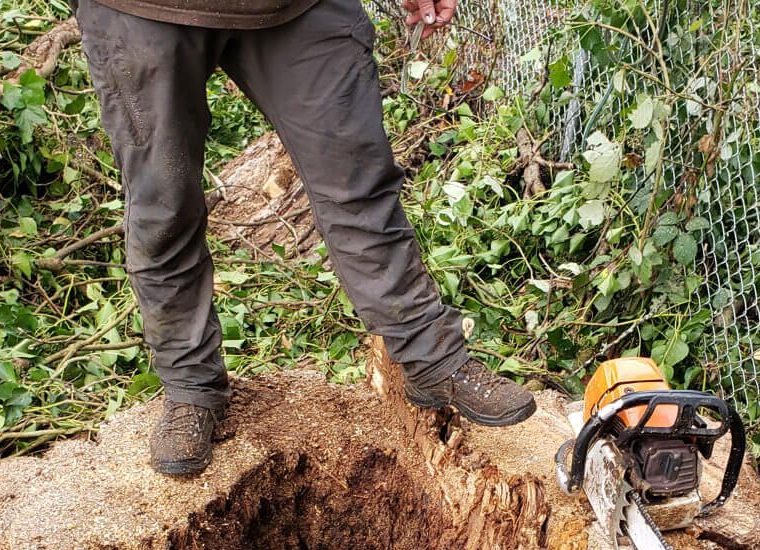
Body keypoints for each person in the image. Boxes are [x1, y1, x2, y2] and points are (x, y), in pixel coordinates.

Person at [75, 0, 538, 477]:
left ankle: (432, 354)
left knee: (357, 176)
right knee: (163, 204)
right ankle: (190, 384)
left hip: (298, 7)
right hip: (139, 11)